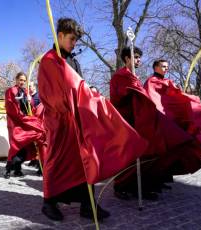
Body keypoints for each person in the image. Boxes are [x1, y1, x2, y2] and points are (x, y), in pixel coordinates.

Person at [38, 18, 146, 221]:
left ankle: (88, 205)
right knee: (57, 161)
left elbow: (79, 87)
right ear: (60, 35)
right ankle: (49, 202)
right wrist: (72, 100)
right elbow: (49, 93)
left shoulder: (73, 61)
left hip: (77, 120)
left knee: (84, 161)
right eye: (71, 39)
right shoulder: (50, 60)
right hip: (59, 121)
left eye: (76, 40)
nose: (74, 43)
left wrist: (89, 92)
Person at [110, 48, 197, 200]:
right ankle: (121, 186)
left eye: (139, 57)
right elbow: (123, 97)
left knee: (145, 154)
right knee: (131, 156)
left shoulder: (132, 76)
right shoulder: (121, 76)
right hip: (128, 121)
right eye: (135, 57)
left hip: (140, 120)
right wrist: (133, 91)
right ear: (126, 58)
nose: (139, 60)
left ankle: (138, 186)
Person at [144, 59, 201, 165]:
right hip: (163, 118)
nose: (166, 68)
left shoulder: (167, 81)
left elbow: (172, 96)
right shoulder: (151, 81)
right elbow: (154, 99)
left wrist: (182, 95)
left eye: (167, 66)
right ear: (156, 68)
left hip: (171, 117)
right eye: (163, 66)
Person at [4, 72, 45, 178]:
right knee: (16, 145)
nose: (22, 82)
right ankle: (10, 169)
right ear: (16, 79)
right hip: (16, 122)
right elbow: (10, 107)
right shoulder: (10, 91)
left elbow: (31, 109)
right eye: (20, 80)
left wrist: (29, 101)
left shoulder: (26, 92)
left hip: (25, 121)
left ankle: (39, 165)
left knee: (30, 143)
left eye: (23, 80)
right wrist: (23, 116)